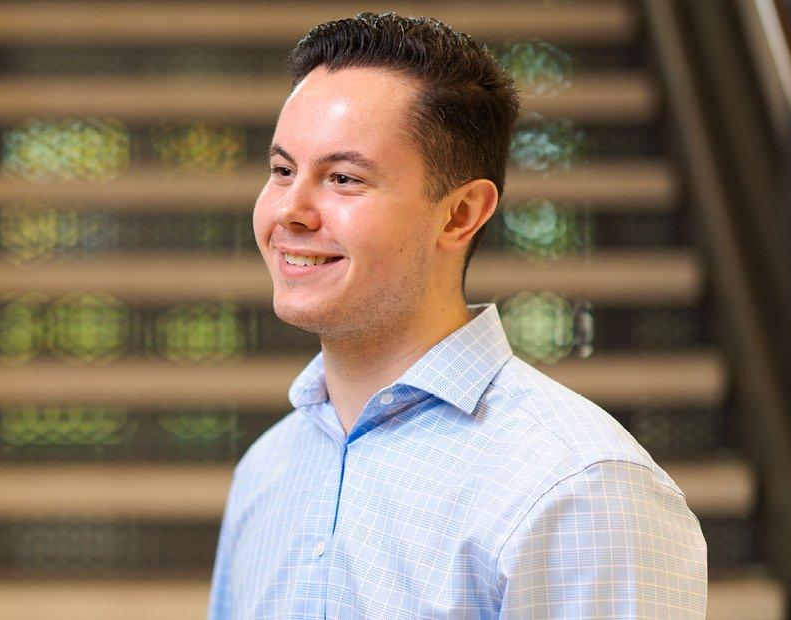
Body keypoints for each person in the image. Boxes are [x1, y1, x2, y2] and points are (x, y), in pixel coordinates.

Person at [209, 13, 707, 618]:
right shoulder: (268, 469)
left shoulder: (581, 486)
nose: (291, 210)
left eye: (343, 178)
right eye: (283, 170)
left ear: (461, 214)